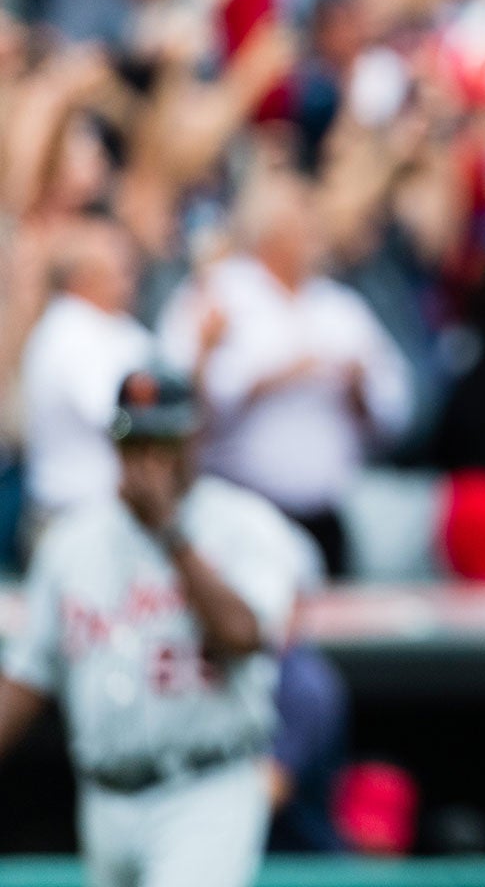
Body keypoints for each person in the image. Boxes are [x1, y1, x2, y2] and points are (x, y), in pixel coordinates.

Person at [0, 368, 313, 887]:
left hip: (205, 786)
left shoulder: (243, 525)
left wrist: (170, 533)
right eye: (134, 440)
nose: (147, 458)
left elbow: (244, 636)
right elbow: (28, 676)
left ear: (195, 436)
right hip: (105, 795)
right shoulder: (72, 542)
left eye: (162, 439)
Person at [157, 169, 413, 577]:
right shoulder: (216, 296)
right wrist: (276, 378)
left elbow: (396, 406)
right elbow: (175, 401)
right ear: (268, 234)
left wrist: (358, 387)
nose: (315, 236)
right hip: (237, 510)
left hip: (324, 515)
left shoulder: (339, 307)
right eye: (302, 224)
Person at [18, 217, 154, 527]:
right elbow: (117, 418)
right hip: (72, 517)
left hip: (106, 517)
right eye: (119, 270)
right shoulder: (68, 332)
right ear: (82, 278)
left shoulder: (115, 325)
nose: (129, 280)